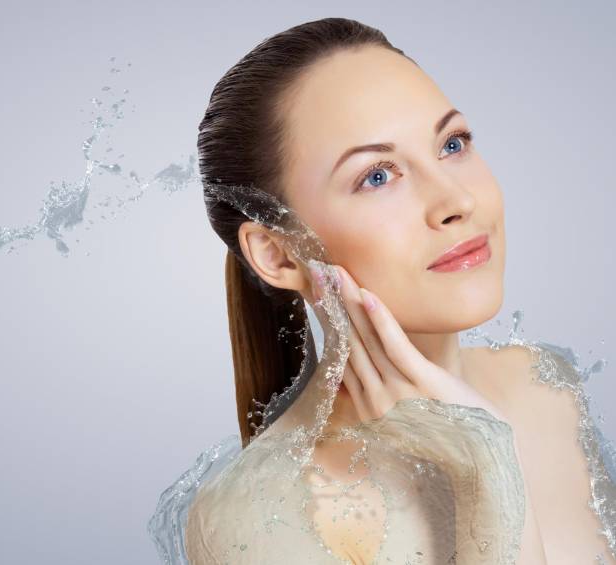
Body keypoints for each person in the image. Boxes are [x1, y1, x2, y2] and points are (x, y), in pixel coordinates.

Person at [148, 17, 616, 564]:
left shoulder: (544, 386)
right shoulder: (265, 515)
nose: (455, 201)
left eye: (452, 144)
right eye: (377, 175)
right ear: (278, 253)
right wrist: (483, 463)